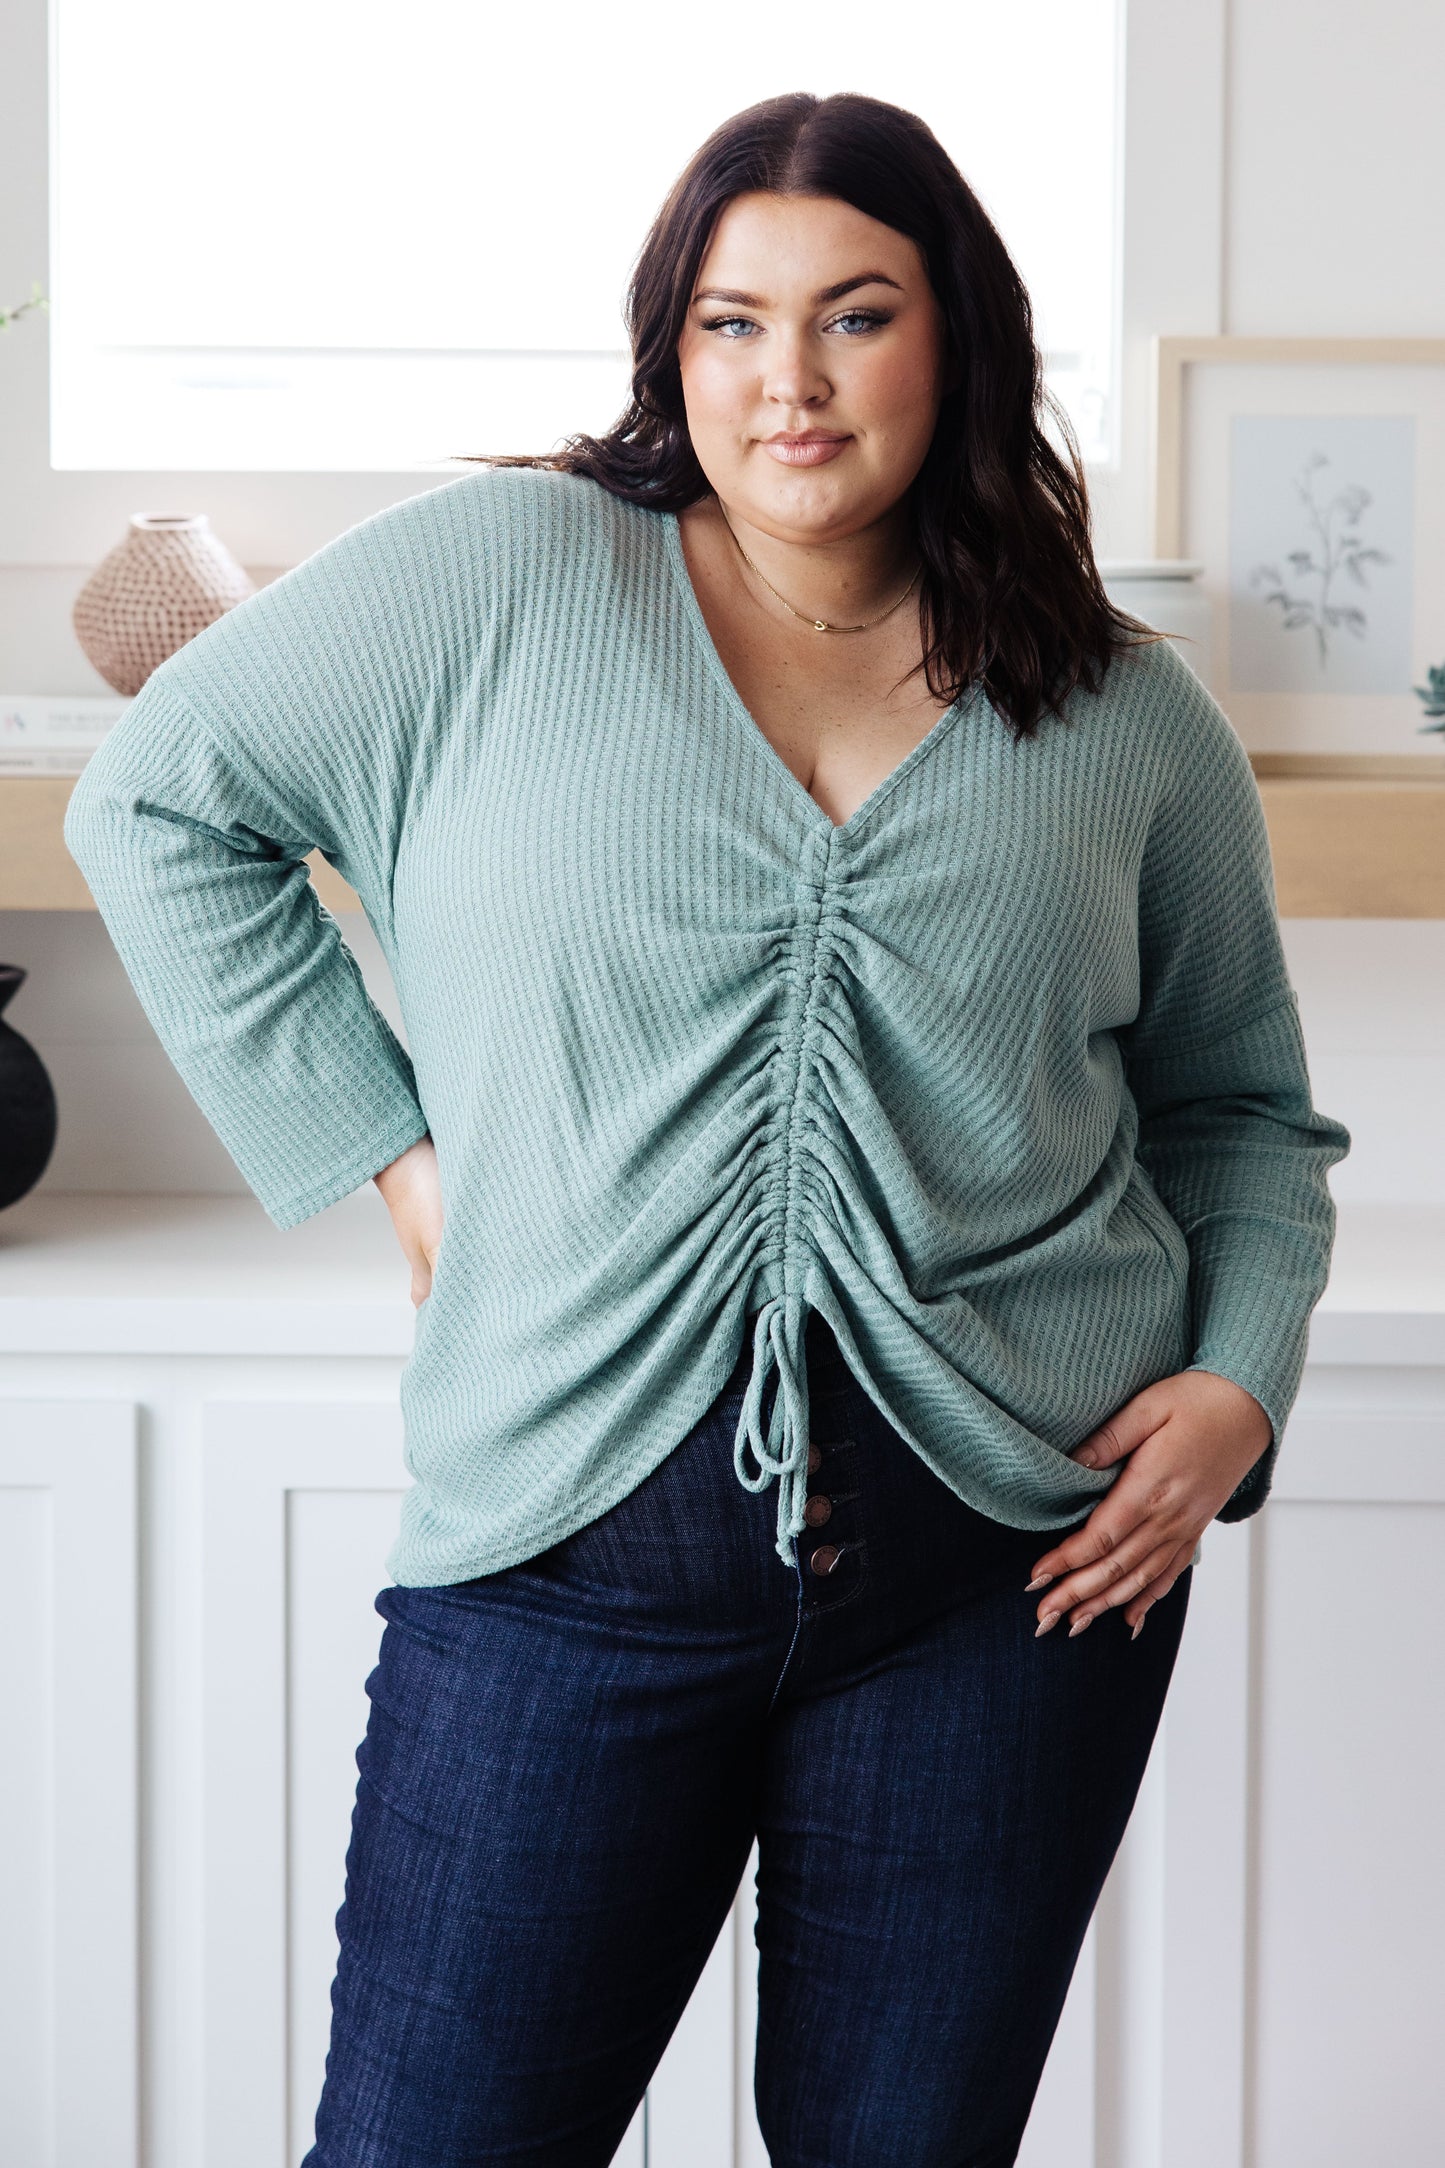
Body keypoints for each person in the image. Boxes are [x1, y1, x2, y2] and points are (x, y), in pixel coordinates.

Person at [65, 90, 1350, 2168]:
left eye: (856, 315)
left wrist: (1234, 1385)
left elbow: (1240, 1116)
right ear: (671, 346)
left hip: (1011, 1583)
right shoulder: (500, 577)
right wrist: (395, 1161)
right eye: (732, 322)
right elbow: (155, 805)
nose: (790, 382)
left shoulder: (1122, 715)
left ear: (960, 338)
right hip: (562, 1556)